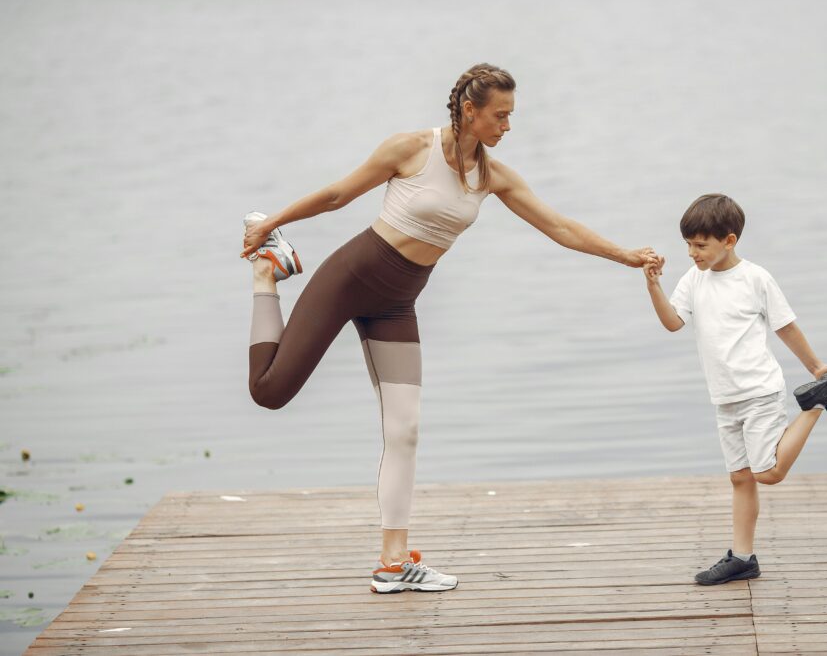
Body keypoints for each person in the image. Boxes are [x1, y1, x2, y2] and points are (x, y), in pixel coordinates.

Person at [240, 63, 659, 594]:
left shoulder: (493, 176)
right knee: (269, 392)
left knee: (405, 431)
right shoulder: (411, 149)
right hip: (350, 277)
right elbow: (336, 196)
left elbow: (559, 226)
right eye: (500, 116)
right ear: (470, 110)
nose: (508, 126)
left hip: (397, 303)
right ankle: (266, 274)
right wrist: (271, 224)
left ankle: (394, 562)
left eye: (511, 116)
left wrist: (624, 255)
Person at [642, 193, 827, 585]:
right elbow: (673, 323)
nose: (692, 253)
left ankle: (815, 404)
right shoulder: (693, 280)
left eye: (700, 245)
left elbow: (785, 325)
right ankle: (743, 557)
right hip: (724, 397)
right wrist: (654, 285)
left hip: (759, 390)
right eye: (688, 244)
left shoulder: (756, 278)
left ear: (730, 240)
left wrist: (815, 367)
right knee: (740, 478)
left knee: (768, 473)